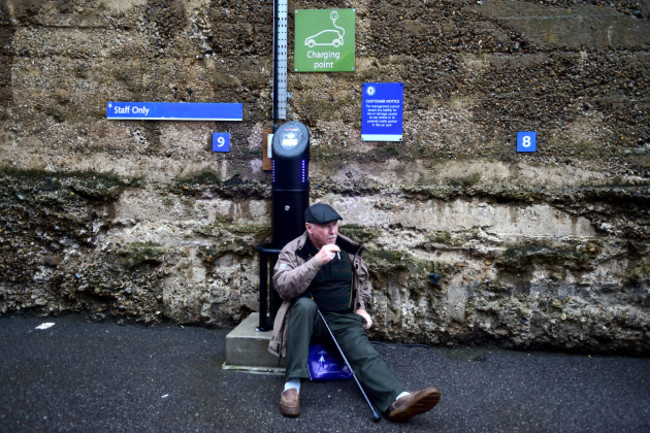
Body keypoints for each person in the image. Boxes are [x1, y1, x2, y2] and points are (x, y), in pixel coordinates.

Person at [268, 202, 440, 421]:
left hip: (342, 320)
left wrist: (361, 308)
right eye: (325, 227)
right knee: (304, 305)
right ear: (309, 227)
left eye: (335, 225)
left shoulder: (349, 250)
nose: (332, 231)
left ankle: (399, 399)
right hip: (309, 321)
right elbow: (282, 286)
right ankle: (291, 387)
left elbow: (362, 283)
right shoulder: (294, 250)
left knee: (365, 353)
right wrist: (316, 261)